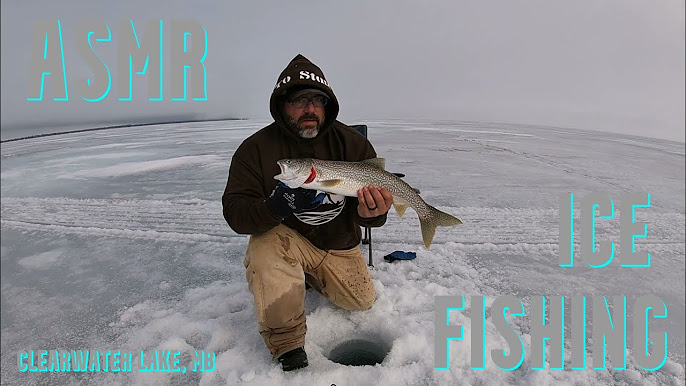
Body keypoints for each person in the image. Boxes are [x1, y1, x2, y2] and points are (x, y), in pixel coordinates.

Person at [222, 54, 393, 371]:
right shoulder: (255, 150)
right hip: (285, 242)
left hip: (337, 245)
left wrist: (374, 212)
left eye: (318, 100)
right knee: (264, 246)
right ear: (282, 105)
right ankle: (286, 343)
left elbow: (371, 215)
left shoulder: (353, 145)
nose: (310, 109)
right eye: (300, 101)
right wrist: (274, 205)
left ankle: (311, 275)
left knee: (361, 301)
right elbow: (235, 212)